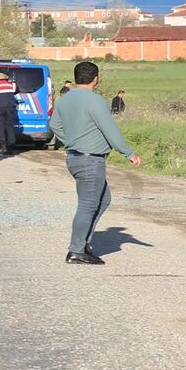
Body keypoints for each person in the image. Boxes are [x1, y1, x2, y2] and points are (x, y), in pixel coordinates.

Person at [49, 61, 142, 265]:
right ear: (96, 79)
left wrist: (71, 140)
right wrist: (129, 153)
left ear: (75, 78)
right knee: (87, 205)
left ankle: (83, 244)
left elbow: (54, 124)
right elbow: (110, 130)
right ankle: (76, 250)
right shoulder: (96, 101)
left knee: (103, 198)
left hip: (74, 157)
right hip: (90, 159)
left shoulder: (64, 99)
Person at [0, 69, 20, 155]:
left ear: (0, 76)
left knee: (1, 127)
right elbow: (16, 91)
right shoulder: (12, 85)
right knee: (10, 127)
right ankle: (11, 147)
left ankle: (3, 147)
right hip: (10, 108)